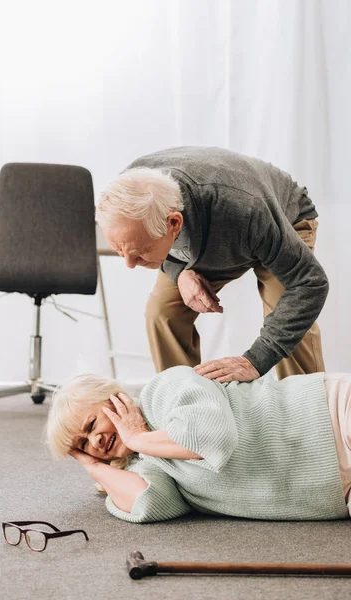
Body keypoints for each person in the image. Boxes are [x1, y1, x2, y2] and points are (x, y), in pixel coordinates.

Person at [96, 146, 328, 383]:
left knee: (289, 313)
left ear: (173, 223)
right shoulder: (126, 195)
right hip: (213, 228)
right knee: (162, 314)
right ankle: (185, 402)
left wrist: (254, 361)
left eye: (140, 252)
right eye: (120, 250)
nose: (130, 265)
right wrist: (179, 272)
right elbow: (149, 244)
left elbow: (309, 284)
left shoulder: (243, 209)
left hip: (281, 218)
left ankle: (310, 407)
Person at [46, 366, 351, 523]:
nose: (95, 442)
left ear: (113, 396)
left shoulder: (164, 389)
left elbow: (212, 436)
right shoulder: (145, 463)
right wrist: (94, 466)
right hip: (338, 493)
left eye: (90, 426)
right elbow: (149, 503)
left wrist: (137, 437)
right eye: (82, 445)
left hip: (332, 414)